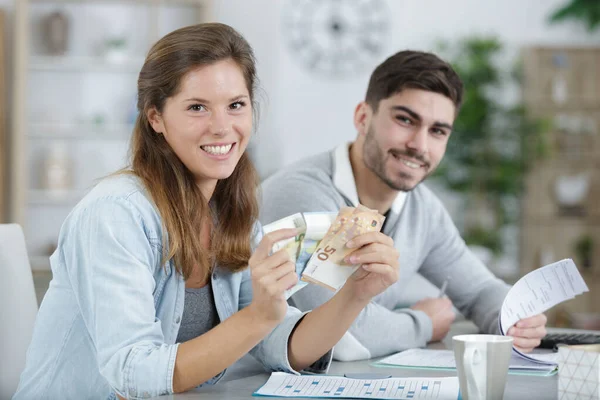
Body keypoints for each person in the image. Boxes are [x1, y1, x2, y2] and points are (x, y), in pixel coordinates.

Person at [14, 23, 400, 399]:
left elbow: (276, 341)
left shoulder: (229, 213)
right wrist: (259, 316)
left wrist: (356, 294)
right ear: (155, 118)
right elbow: (132, 372)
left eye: (236, 105)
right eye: (197, 107)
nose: (222, 127)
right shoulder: (115, 214)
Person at [260, 50, 547, 361]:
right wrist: (423, 324)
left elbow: (478, 291)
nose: (420, 145)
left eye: (437, 131)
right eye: (405, 120)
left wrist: (516, 318)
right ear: (362, 118)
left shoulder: (422, 208)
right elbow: (339, 335)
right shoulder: (304, 196)